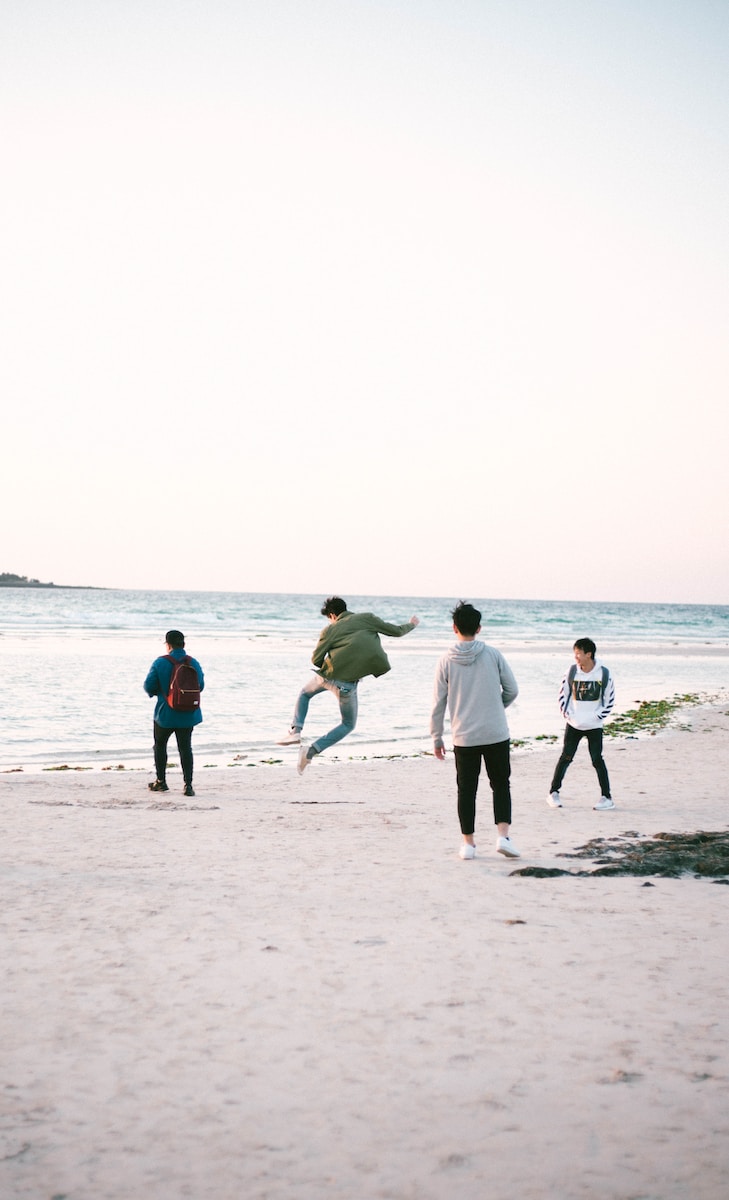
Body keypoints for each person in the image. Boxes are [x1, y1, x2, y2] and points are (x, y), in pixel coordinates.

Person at [277, 597, 420, 773]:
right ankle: (311, 751)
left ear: (332, 615)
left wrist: (333, 660)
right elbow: (397, 631)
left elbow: (315, 659)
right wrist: (411, 624)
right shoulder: (367, 618)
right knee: (348, 724)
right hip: (346, 686)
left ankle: (295, 731)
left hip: (326, 677)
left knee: (305, 694)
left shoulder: (329, 629)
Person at [430, 601, 521, 860]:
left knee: (466, 790)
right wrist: (495, 707)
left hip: (464, 736)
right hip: (495, 732)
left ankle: (468, 844)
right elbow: (512, 690)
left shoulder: (445, 660)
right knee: (500, 784)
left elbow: (438, 703)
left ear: (454, 628)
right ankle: (503, 837)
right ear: (479, 628)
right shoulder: (493, 655)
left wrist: (437, 737)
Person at [547, 637, 615, 810]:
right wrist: (569, 716)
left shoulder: (604, 673)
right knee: (565, 758)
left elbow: (609, 700)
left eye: (578, 654)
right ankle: (553, 793)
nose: (576, 657)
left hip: (594, 726)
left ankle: (606, 798)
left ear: (588, 654)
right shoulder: (571, 672)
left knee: (597, 760)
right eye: (575, 653)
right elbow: (562, 696)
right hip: (574, 724)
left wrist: (597, 717)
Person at [144, 630, 204, 797]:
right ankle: (188, 785)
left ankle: (161, 782)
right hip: (188, 713)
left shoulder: (160, 662)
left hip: (165, 714)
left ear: (167, 644)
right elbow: (201, 685)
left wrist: (163, 694)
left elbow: (148, 686)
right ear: (184, 644)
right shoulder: (193, 662)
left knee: (160, 746)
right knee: (185, 748)